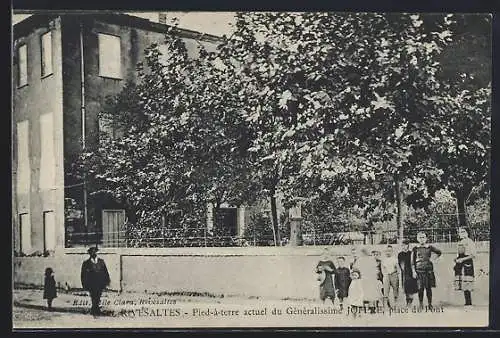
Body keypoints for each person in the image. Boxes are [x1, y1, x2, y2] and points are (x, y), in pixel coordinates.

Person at [411, 232, 442, 310]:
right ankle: (421, 304)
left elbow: (439, 252)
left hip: (428, 270)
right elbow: (412, 262)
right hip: (419, 271)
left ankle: (430, 304)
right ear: (417, 239)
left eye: (423, 237)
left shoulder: (429, 247)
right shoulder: (415, 248)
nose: (422, 239)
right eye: (420, 237)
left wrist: (433, 259)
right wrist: (414, 271)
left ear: (426, 238)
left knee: (428, 288)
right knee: (420, 288)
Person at [81, 247, 111, 316]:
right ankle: (95, 309)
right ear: (89, 254)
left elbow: (105, 272)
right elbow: (83, 274)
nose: (93, 253)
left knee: (98, 296)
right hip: (91, 283)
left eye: (95, 252)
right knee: (93, 296)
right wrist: (84, 284)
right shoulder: (86, 263)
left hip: (100, 283)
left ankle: (95, 308)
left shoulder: (101, 261)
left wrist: (107, 281)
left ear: (97, 253)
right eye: (92, 252)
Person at [353, 246, 383, 313]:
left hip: (368, 279)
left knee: (368, 294)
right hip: (366, 279)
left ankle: (370, 307)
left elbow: (375, 270)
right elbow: (355, 269)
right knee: (367, 294)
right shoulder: (364, 259)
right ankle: (369, 307)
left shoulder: (363, 259)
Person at [454, 227, 477, 307]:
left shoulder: (470, 242)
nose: (461, 233)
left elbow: (473, 255)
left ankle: (469, 303)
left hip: (467, 264)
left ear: (467, 233)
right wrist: (456, 259)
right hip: (460, 264)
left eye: (463, 232)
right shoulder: (459, 242)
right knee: (462, 282)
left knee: (467, 282)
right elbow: (459, 254)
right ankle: (466, 302)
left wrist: (462, 259)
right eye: (460, 232)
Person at [398, 239, 418, 306]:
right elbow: (400, 264)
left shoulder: (411, 253)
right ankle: (407, 303)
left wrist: (414, 272)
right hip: (404, 274)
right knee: (406, 289)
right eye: (402, 245)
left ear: (408, 245)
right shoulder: (400, 254)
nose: (403, 246)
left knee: (411, 289)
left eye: (405, 245)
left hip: (411, 272)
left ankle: (410, 303)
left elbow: (414, 263)